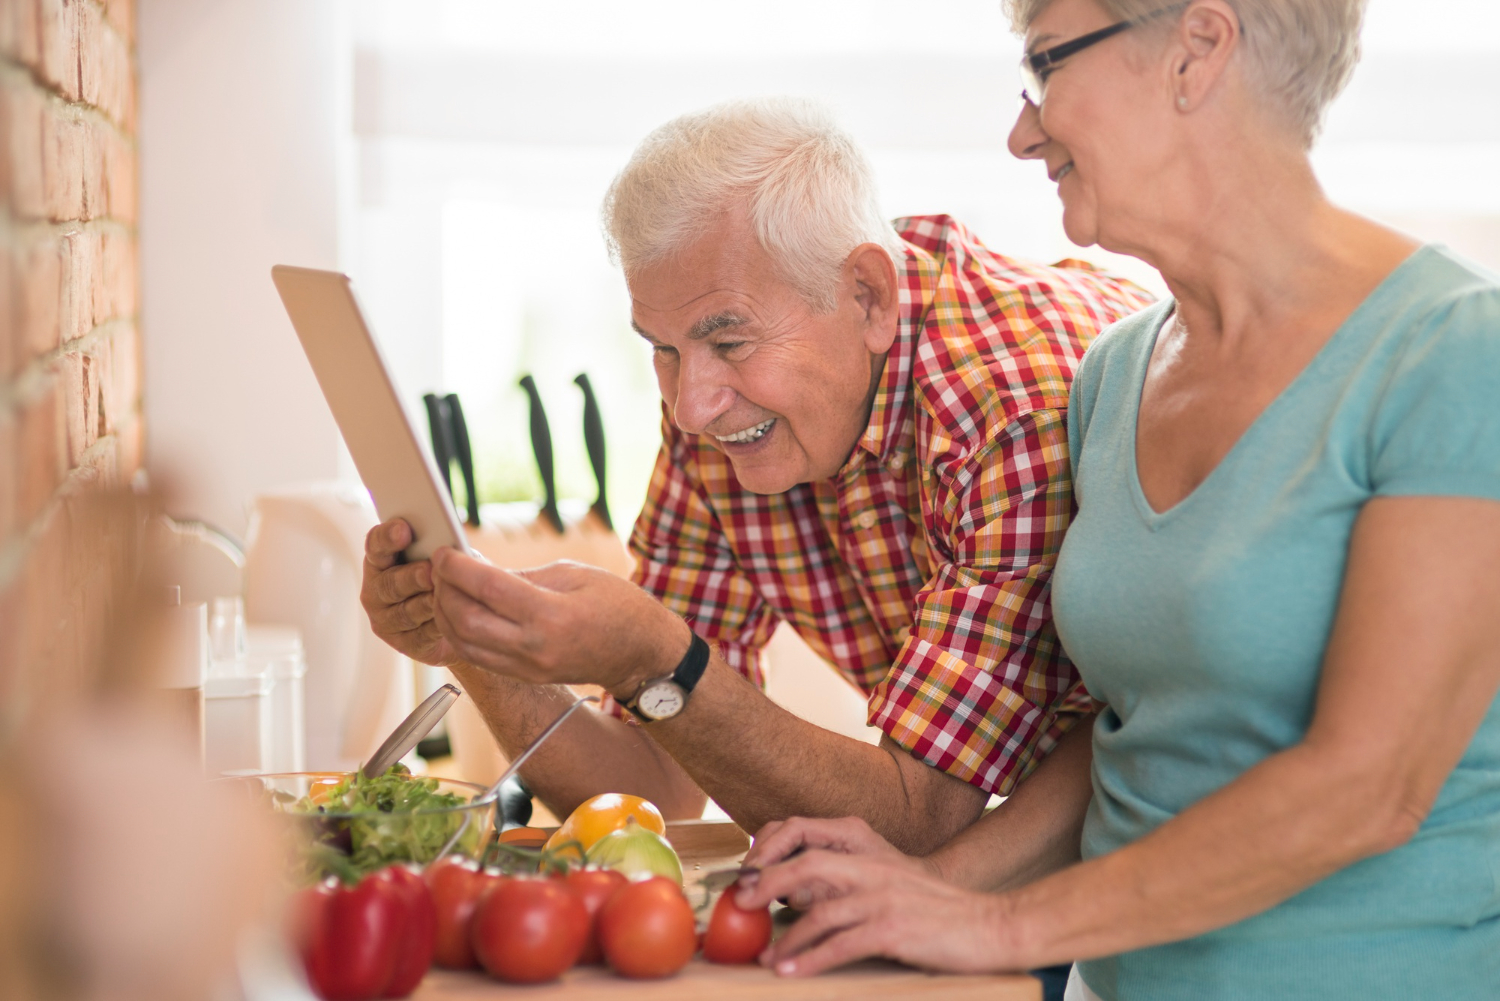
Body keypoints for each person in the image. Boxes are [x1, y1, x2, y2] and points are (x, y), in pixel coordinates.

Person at [734, 2, 1500, 999]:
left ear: (1198, 48)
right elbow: (1131, 730)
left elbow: (1371, 786)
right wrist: (920, 888)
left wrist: (996, 921)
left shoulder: (1452, 353)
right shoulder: (1117, 372)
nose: (1021, 129)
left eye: (1046, 64)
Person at [359, 98, 1150, 856]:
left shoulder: (1008, 413)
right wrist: (469, 638)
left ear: (868, 296)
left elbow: (919, 818)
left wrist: (654, 656)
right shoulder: (721, 415)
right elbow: (648, 794)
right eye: (661, 348)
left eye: (729, 342)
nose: (691, 408)